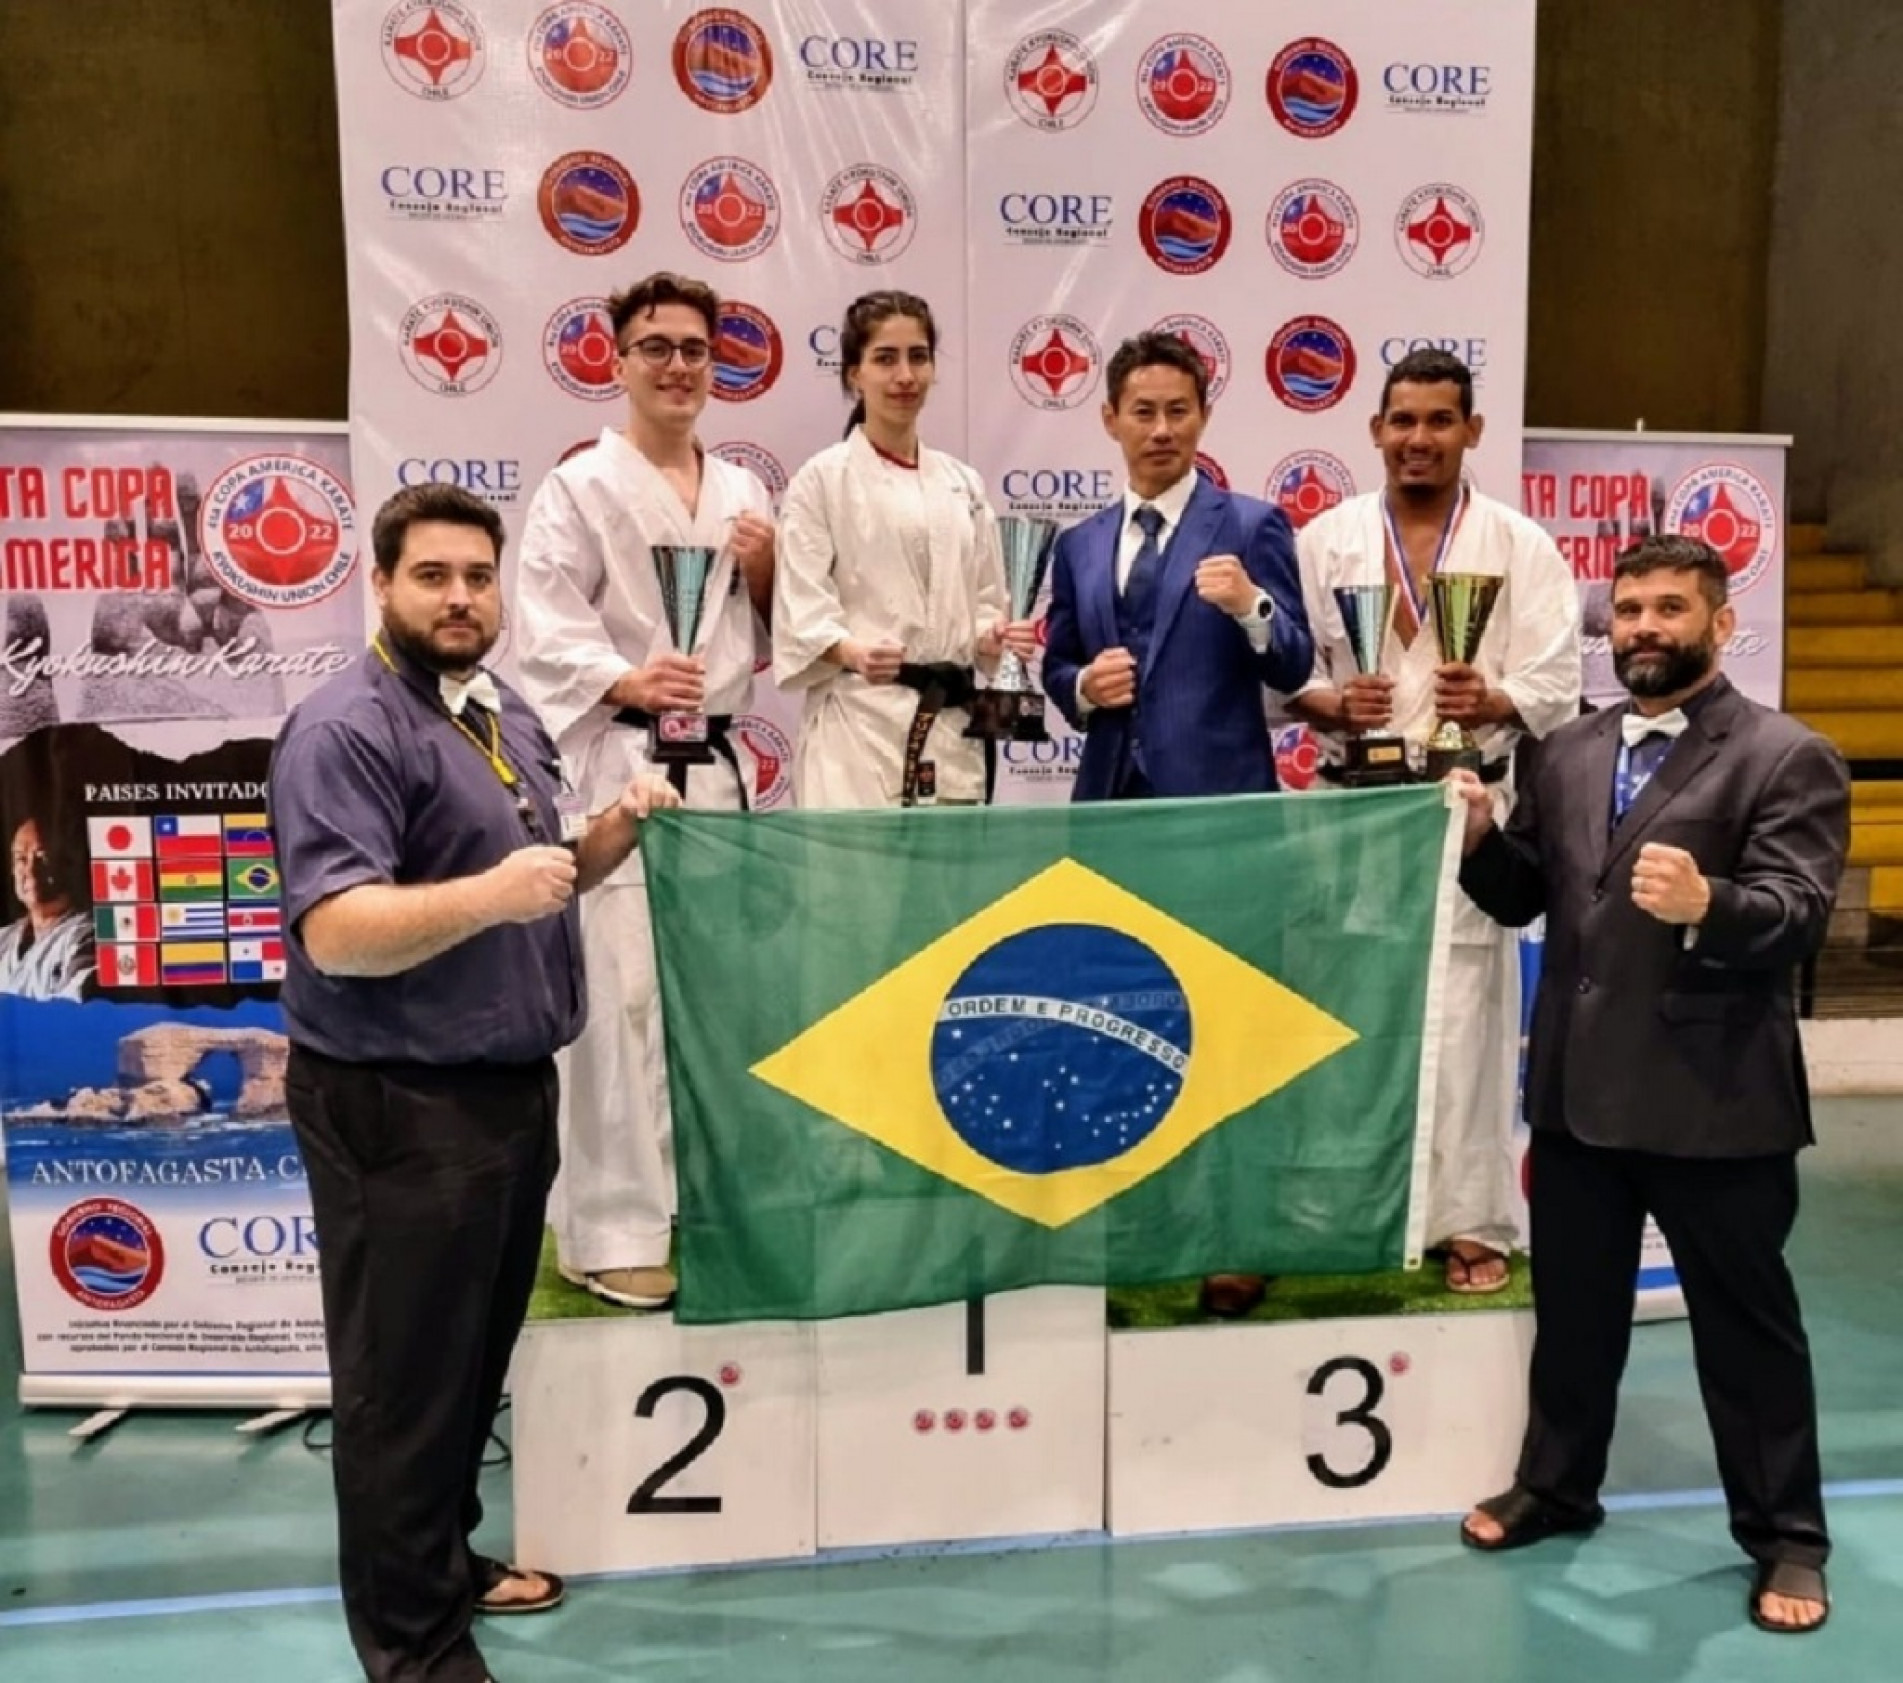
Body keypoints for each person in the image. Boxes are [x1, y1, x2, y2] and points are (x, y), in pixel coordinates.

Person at [270, 482, 680, 1683]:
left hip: (505, 1092)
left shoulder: (497, 711)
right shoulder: (344, 731)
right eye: (433, 576)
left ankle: (442, 1564)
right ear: (380, 584)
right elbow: (338, 932)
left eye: (477, 578)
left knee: (467, 1367)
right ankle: (415, 1651)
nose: (460, 598)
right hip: (397, 1106)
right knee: (403, 1389)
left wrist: (611, 832)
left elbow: (540, 872)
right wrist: (494, 895)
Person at [1452, 534, 1845, 1636]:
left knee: (1745, 1333)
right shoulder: (1567, 751)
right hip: (1577, 1095)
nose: (1643, 628)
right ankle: (1555, 1486)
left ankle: (1787, 1537)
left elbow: (1799, 913)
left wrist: (1711, 904)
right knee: (1574, 1317)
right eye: (1628, 610)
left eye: (1670, 608)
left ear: (1721, 624)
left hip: (1715, 1100)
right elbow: (1527, 893)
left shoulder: (1785, 755)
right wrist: (1480, 840)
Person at [1289, 347, 1580, 1296]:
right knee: (1342, 1017)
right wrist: (1334, 702)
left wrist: (1491, 696)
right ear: (1375, 429)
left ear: (1471, 430)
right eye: (1403, 420)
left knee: (1463, 1024)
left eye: (1439, 420)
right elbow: (1285, 675)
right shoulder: (1325, 539)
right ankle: (1337, 1213)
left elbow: (1558, 682)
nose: (1419, 438)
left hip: (1463, 808)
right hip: (1351, 810)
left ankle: (1468, 1220)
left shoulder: (1518, 545)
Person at [515, 269, 775, 1311]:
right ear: (616, 361)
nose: (677, 366)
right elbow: (542, 624)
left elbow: (777, 634)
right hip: (621, 766)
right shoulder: (579, 486)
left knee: (712, 998)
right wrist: (624, 678)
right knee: (620, 999)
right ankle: (606, 1228)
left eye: (694, 350)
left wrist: (765, 571)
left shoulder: (745, 492)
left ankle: (700, 1209)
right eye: (655, 347)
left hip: (715, 768)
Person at [773, 289, 1034, 807]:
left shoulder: (962, 483)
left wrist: (993, 636)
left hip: (952, 727)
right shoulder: (821, 479)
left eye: (918, 357)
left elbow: (984, 600)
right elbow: (802, 608)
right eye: (885, 359)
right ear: (855, 373)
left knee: (952, 863)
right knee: (859, 863)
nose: (905, 376)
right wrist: (852, 651)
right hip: (858, 728)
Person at [1041, 330, 1313, 804]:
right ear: (1111, 419)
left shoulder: (1252, 526)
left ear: (1204, 416)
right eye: (1144, 412)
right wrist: (1085, 687)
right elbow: (1059, 665)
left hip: (1220, 806)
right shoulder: (1078, 546)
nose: (1162, 430)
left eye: (1179, 411)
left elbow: (1294, 668)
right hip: (1107, 804)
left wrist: (1252, 606)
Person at [0, 813, 95, 1000]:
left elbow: (74, 1008)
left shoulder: (86, 936)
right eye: (21, 859)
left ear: (67, 864)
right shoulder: (3, 939)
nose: (30, 870)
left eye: (42, 857)